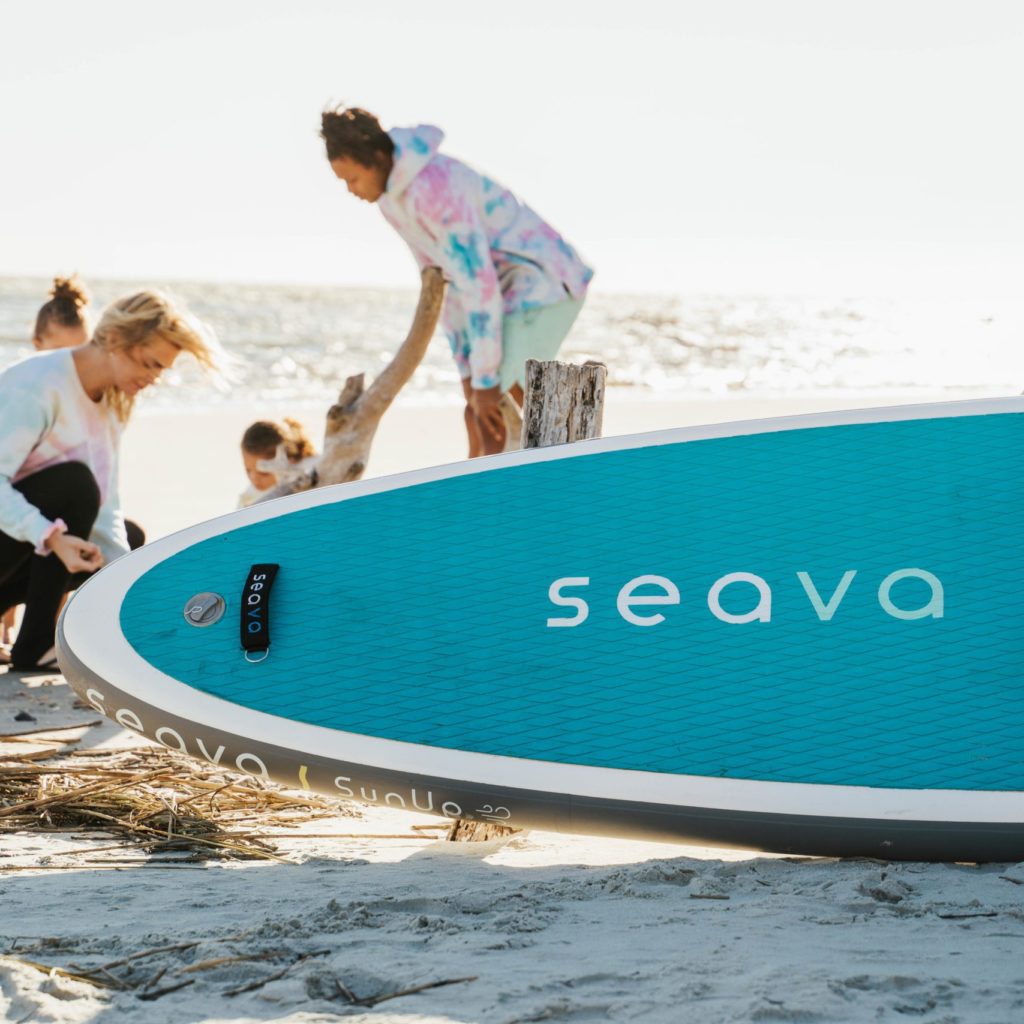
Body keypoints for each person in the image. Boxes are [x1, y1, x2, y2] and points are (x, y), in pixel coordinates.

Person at [320, 106, 594, 457]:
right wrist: (467, 369)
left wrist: (483, 381)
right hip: (503, 291)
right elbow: (443, 283)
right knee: (477, 407)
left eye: (353, 178)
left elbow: (478, 284)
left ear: (376, 158)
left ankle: (558, 481)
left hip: (547, 282)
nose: (350, 190)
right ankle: (485, 497)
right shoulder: (391, 202)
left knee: (496, 401)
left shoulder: (434, 188)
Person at [0, 290, 218, 671]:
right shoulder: (38, 385)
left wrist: (134, 593)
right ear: (116, 339)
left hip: (17, 553)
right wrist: (50, 536)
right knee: (74, 486)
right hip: (16, 540)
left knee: (126, 541)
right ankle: (33, 647)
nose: (152, 379)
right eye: (149, 364)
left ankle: (34, 630)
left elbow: (106, 503)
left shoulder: (112, 401)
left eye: (161, 371)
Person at [238, 418, 317, 507]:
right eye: (248, 470)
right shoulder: (248, 497)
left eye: (264, 473)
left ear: (289, 459)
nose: (254, 479)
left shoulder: (309, 470)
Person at [32, 275, 93, 351]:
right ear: (37, 345)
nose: (71, 361)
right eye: (61, 353)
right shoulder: (26, 363)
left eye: (79, 352)